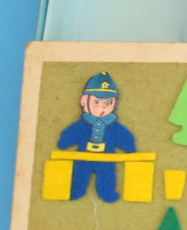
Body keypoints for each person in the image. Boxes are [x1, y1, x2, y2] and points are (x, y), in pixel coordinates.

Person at [56, 72, 135, 202]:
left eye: (109, 102)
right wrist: (64, 142)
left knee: (107, 175)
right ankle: (76, 190)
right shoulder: (82, 125)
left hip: (106, 158)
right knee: (80, 174)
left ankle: (107, 192)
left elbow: (124, 136)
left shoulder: (114, 126)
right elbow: (71, 133)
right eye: (97, 101)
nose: (103, 106)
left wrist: (129, 146)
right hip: (83, 157)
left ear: (115, 103)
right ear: (83, 101)